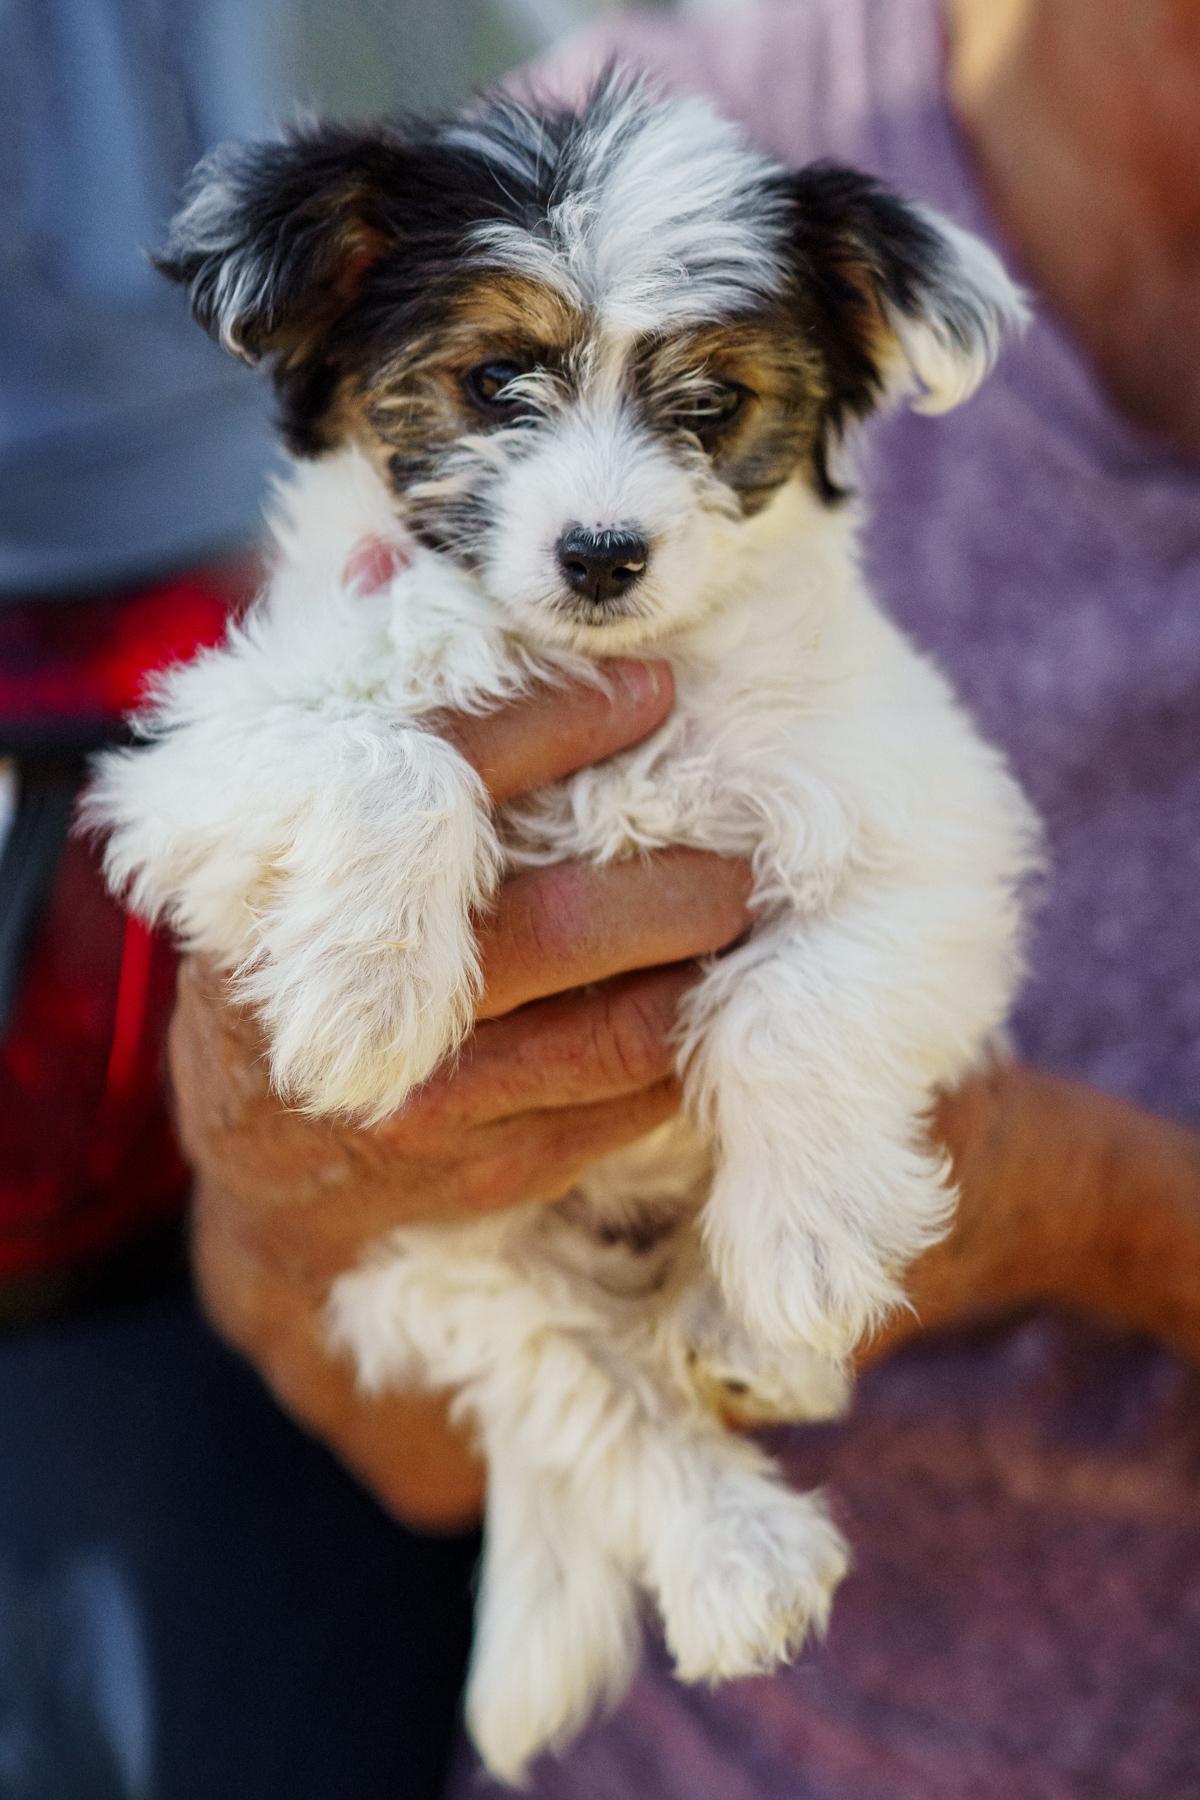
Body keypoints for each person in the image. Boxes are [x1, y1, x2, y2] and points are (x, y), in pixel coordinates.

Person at [172, 0, 1200, 1795]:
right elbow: (375, 1386)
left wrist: (1085, 1211)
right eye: (503, 389)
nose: (601, 507)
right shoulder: (629, 132)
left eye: (703, 410)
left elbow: (931, 882)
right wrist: (294, 1160)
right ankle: (652, 1491)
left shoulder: (833, 333)